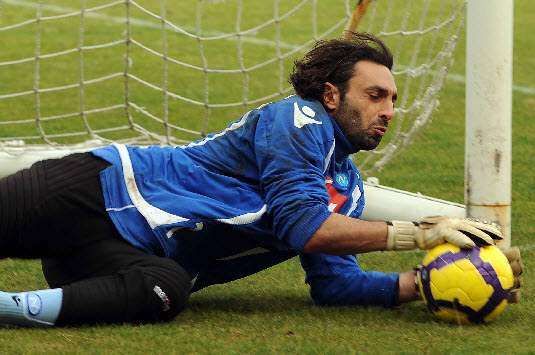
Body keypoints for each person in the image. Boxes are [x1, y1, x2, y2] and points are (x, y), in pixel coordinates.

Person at [0, 32, 522, 327]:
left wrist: (436, 281)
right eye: (376, 95)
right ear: (332, 95)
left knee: (168, 290)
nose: (389, 110)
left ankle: (10, 310)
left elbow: (336, 284)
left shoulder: (348, 187)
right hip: (96, 190)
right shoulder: (297, 120)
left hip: (118, 258)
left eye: (392, 100)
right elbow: (304, 227)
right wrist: (422, 233)